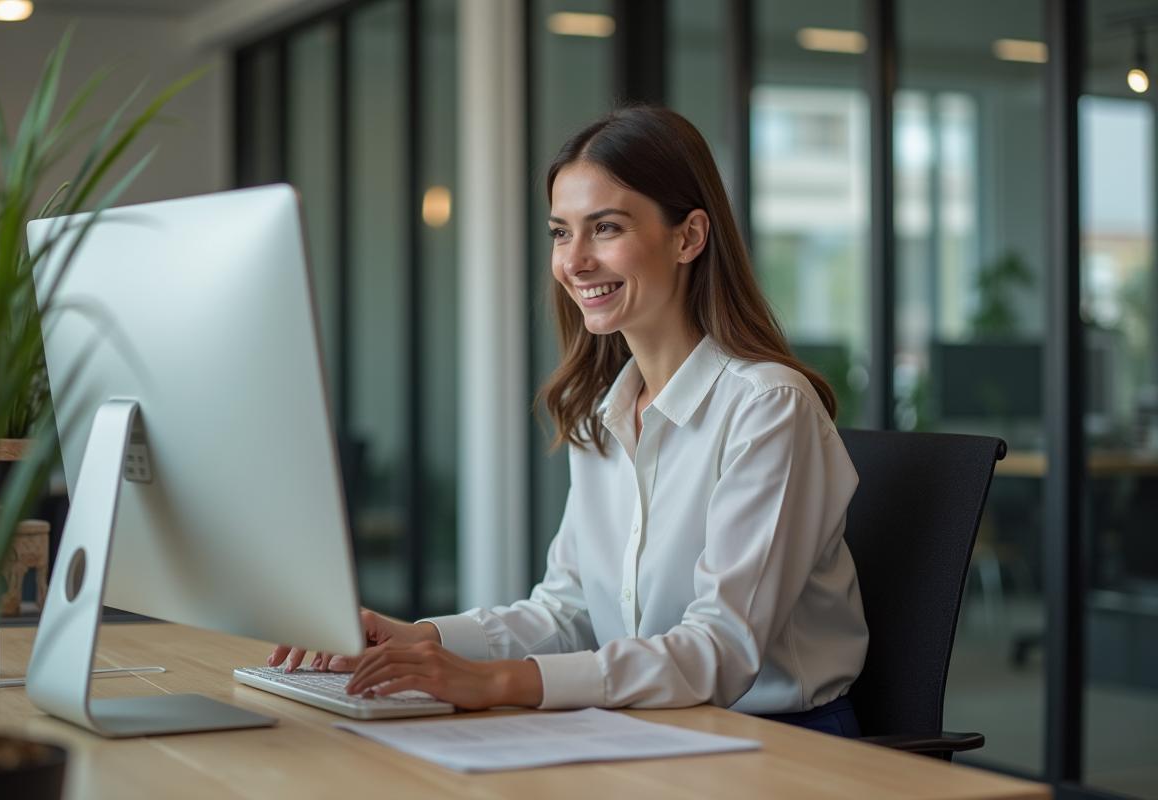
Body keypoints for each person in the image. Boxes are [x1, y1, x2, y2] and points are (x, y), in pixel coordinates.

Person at [270, 105, 868, 737]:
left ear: (689, 237)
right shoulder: (602, 411)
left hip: (780, 741)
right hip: (646, 730)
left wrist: (497, 682)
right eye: (561, 232)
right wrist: (421, 638)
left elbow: (720, 650)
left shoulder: (768, 407)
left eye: (605, 228)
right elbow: (569, 611)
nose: (574, 262)